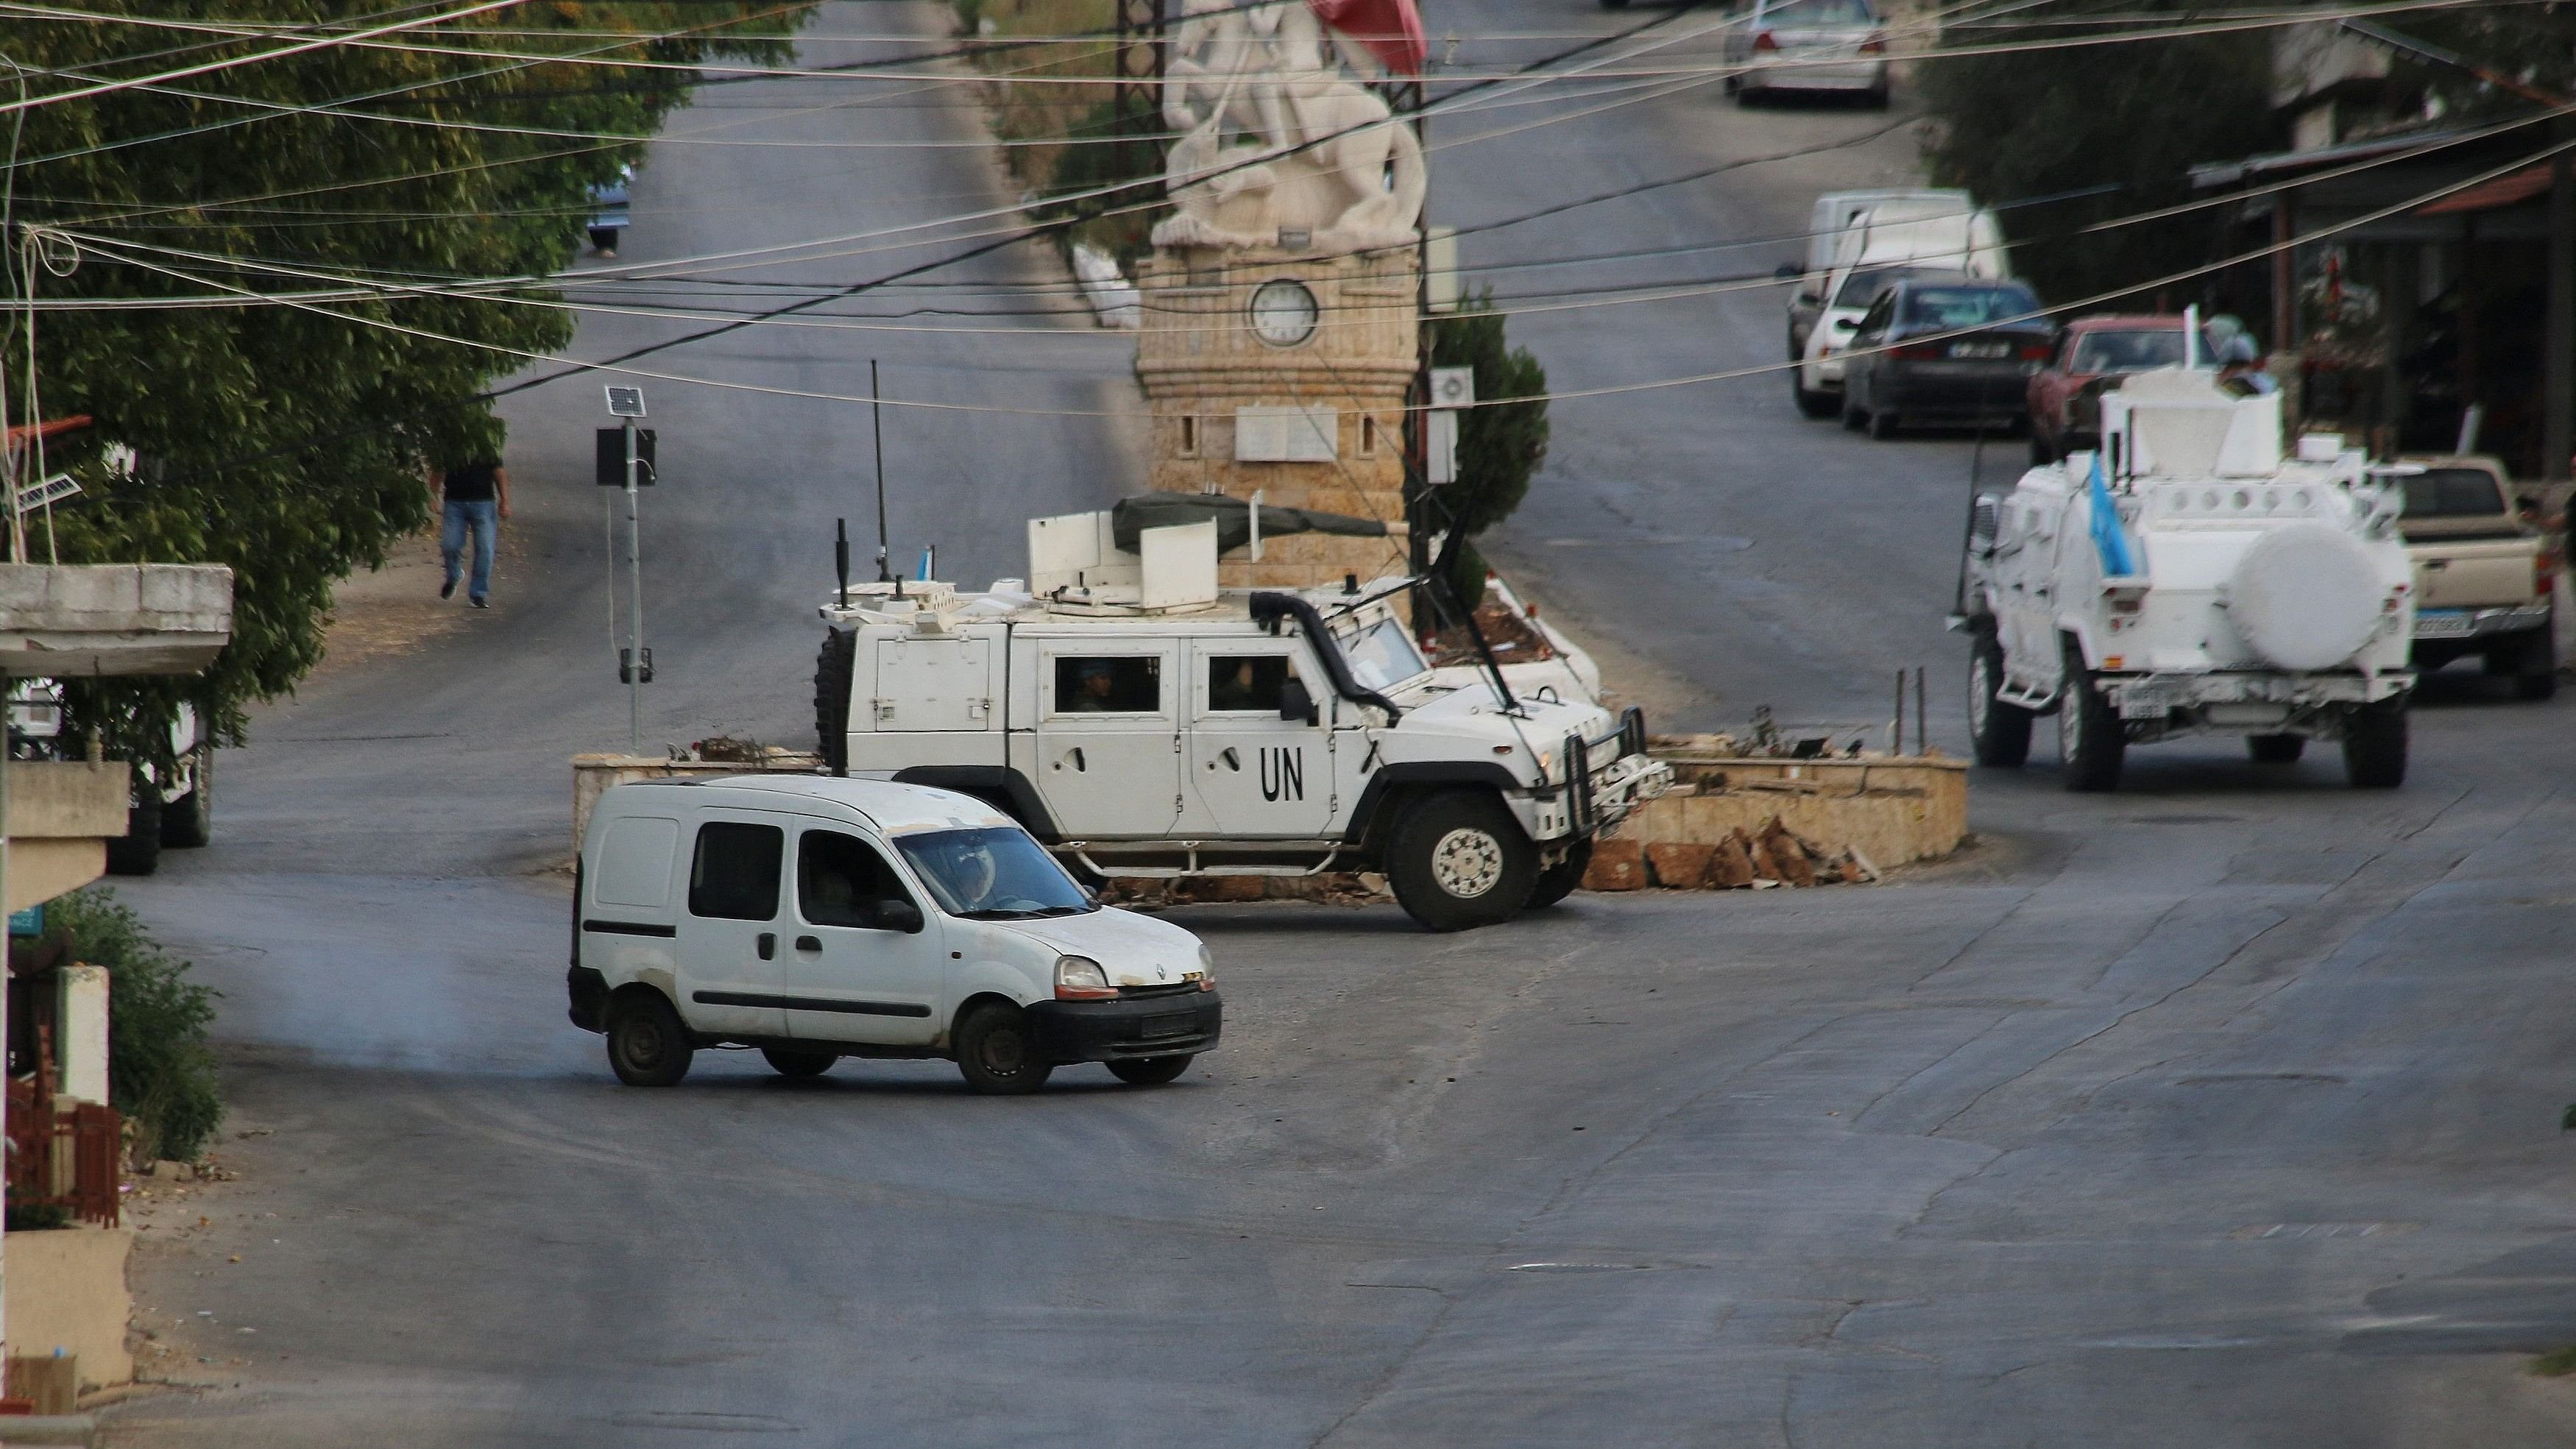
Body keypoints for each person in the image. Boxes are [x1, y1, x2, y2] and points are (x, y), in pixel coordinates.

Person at [434, 453, 511, 608]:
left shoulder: (485, 445)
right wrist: (433, 495)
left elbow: (498, 472)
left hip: (483, 502)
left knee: (485, 548)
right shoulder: (451, 444)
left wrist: (504, 501)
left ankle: (478, 594)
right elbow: (438, 471)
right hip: (454, 502)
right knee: (450, 545)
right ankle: (454, 575)